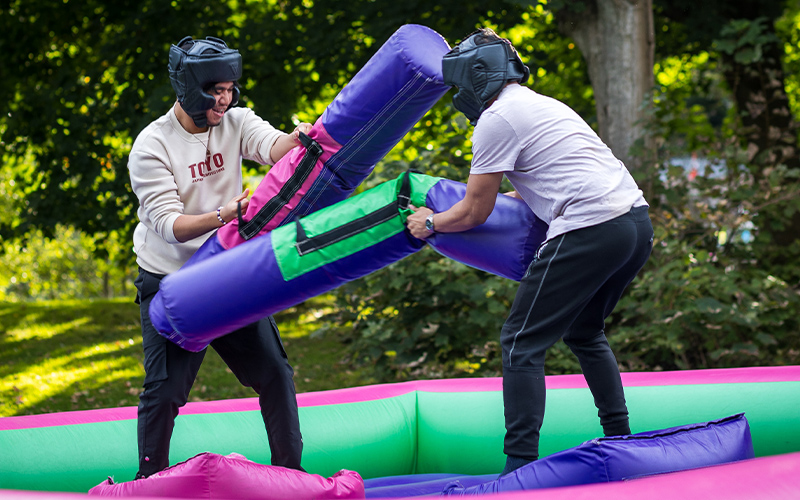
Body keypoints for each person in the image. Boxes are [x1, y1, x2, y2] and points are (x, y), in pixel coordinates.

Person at [406, 28, 654, 476]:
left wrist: (430, 223)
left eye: (460, 85)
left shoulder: (496, 119)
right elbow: (548, 178)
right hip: (634, 223)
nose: (459, 95)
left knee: (520, 342)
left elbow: (475, 212)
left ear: (477, 78)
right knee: (583, 332)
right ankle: (620, 439)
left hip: (591, 226)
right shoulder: (541, 104)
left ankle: (519, 466)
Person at [128, 35, 311, 479]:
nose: (224, 100)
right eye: (216, 91)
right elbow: (169, 225)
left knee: (274, 373)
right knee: (165, 390)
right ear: (190, 88)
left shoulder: (236, 120)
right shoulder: (152, 146)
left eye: (230, 89)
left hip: (227, 272)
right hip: (173, 281)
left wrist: (301, 137)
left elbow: (272, 147)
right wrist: (225, 214)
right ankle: (148, 481)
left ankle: (292, 477)